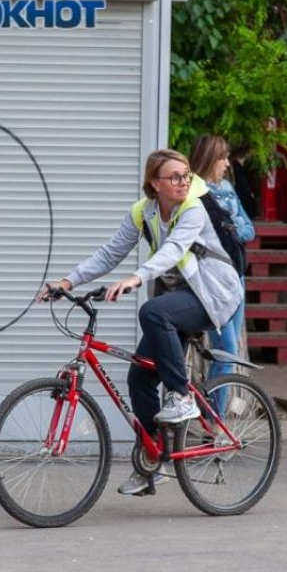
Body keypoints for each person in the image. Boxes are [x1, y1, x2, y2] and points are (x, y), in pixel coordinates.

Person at [37, 149, 244, 495]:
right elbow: (109, 253)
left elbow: (173, 251)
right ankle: (154, 462)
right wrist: (69, 281)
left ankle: (182, 396)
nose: (183, 182)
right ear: (154, 183)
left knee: (152, 311)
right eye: (174, 177)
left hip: (214, 294)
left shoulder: (193, 208)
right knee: (140, 379)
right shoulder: (143, 212)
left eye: (186, 175)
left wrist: (135, 278)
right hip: (179, 295)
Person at [189, 134, 255, 410]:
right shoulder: (193, 190)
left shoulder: (227, 187)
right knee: (225, 349)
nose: (227, 164)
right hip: (211, 279)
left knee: (228, 352)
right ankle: (213, 418)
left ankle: (215, 416)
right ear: (209, 159)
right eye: (223, 158)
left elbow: (249, 230)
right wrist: (231, 226)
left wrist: (232, 227)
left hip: (235, 275)